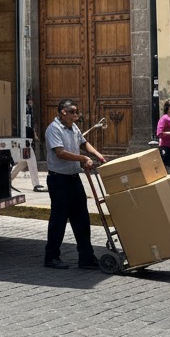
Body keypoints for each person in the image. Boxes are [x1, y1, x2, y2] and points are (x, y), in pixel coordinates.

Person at [43, 98, 106, 270]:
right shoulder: (53, 129)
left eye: (76, 112)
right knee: (59, 219)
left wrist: (97, 155)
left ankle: (86, 257)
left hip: (73, 178)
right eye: (73, 112)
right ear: (63, 111)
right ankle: (51, 257)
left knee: (82, 219)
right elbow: (60, 152)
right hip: (59, 180)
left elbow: (84, 143)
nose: (76, 115)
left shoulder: (73, 127)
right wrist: (83, 158)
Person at [10, 92, 47, 193]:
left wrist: (34, 134)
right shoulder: (19, 109)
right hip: (22, 137)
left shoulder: (28, 108)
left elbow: (29, 123)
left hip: (26, 136)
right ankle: (36, 184)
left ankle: (8, 179)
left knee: (24, 160)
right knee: (31, 159)